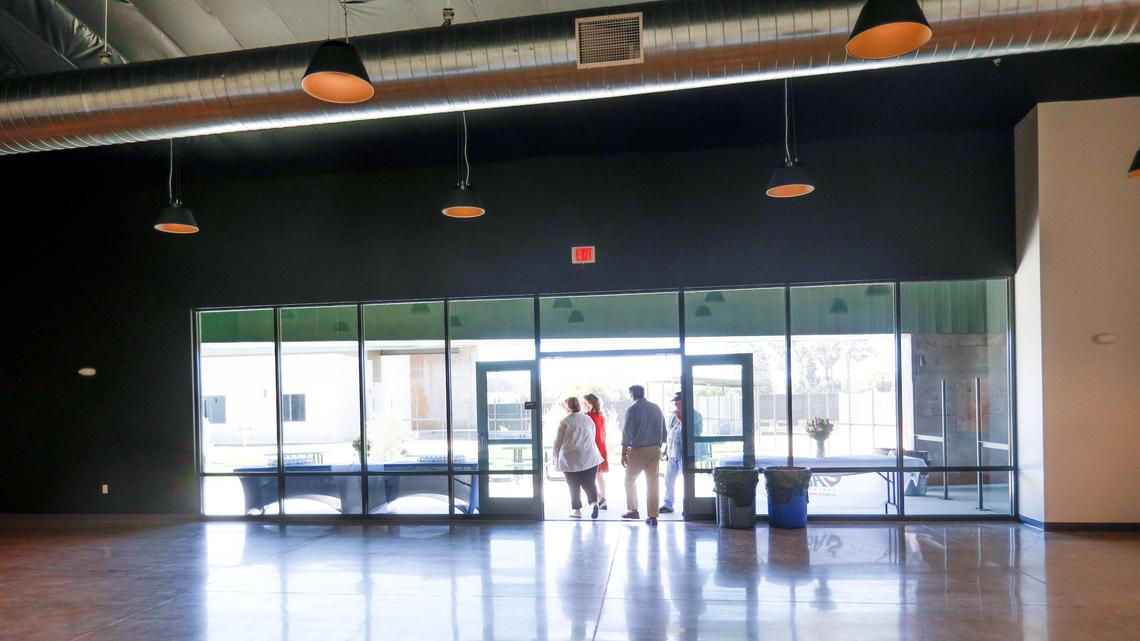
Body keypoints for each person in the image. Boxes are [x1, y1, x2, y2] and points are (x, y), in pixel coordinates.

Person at [620, 384, 667, 526]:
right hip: (655, 449)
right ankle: (653, 516)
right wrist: (662, 445)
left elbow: (627, 431)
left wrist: (623, 453)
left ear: (632, 394)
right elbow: (663, 428)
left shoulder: (632, 409)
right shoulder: (656, 407)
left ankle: (633, 510)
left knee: (629, 480)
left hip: (638, 450)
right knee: (653, 483)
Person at [552, 396, 604, 519]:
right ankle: (594, 503)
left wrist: (554, 458)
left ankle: (577, 511)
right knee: (590, 483)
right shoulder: (587, 419)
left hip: (570, 458)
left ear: (567, 407)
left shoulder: (564, 421)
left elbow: (557, 442)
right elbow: (593, 436)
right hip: (589, 456)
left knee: (573, 485)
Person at [661, 391, 702, 514]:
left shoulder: (695, 415)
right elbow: (671, 433)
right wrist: (665, 449)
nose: (677, 406)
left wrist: (683, 420)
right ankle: (668, 504)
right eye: (676, 404)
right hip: (673, 452)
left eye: (679, 403)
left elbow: (695, 433)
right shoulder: (673, 417)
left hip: (686, 452)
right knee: (669, 478)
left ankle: (688, 506)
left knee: (687, 479)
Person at [583, 393, 609, 510]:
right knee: (599, 476)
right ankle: (602, 499)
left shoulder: (587, 416)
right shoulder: (601, 416)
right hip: (601, 448)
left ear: (588, 403)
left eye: (584, 402)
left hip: (591, 448)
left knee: (588, 477)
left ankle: (598, 499)